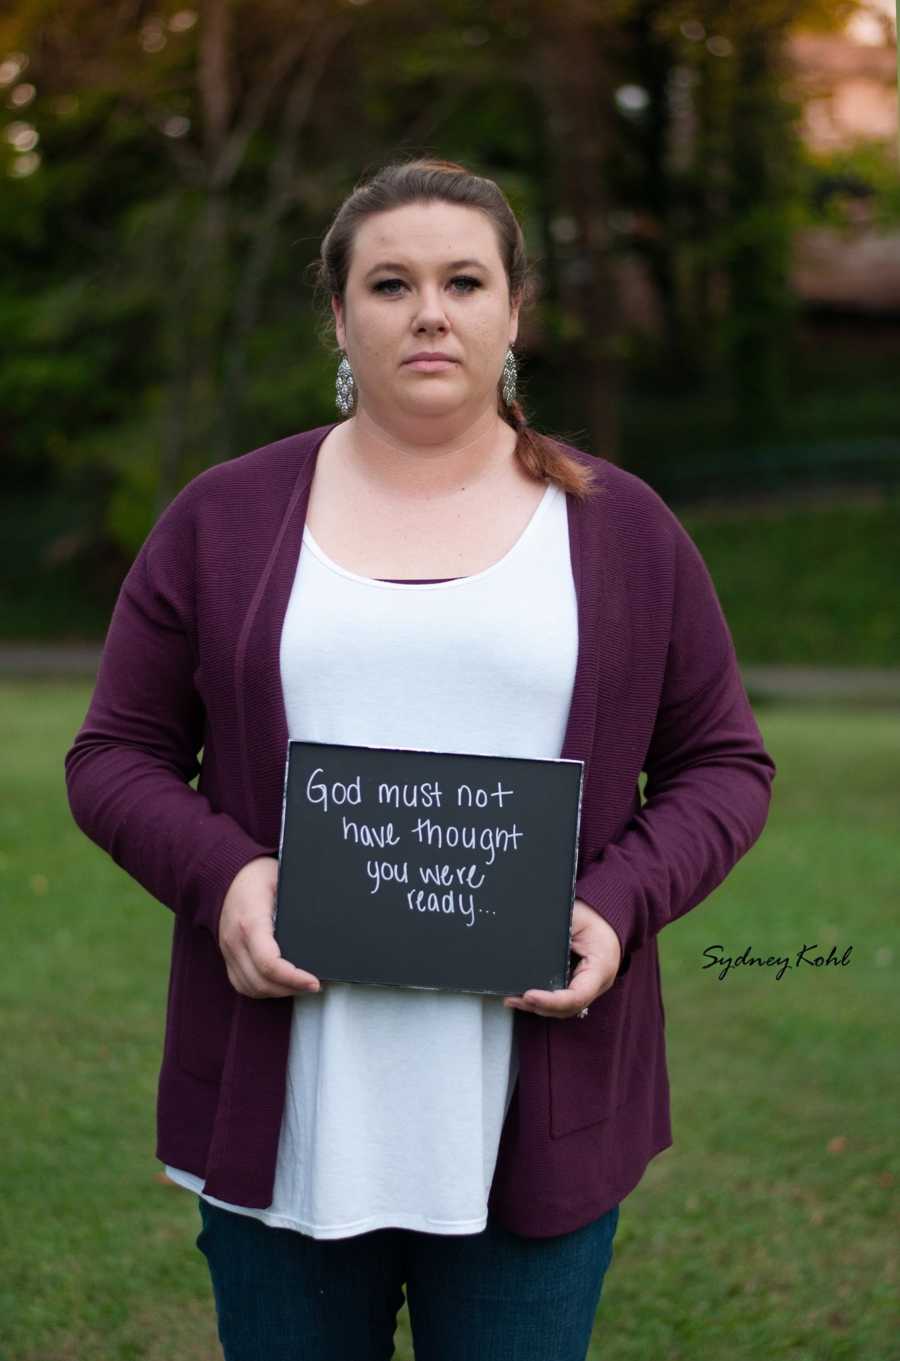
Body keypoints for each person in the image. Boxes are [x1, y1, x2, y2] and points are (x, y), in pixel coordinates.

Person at [64, 157, 776, 1361]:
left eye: (464, 279)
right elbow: (116, 753)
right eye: (390, 283)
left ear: (515, 309)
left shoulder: (624, 530)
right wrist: (227, 875)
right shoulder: (223, 519)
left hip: (531, 1108)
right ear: (340, 315)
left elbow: (722, 764)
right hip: (289, 1107)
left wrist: (615, 903)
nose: (430, 310)